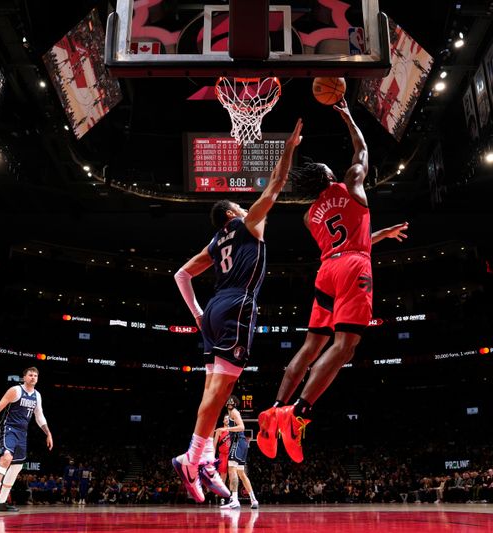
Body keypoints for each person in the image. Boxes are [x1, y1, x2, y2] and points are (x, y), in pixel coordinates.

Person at [256, 99, 409, 463]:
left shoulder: (310, 216)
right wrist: (347, 115)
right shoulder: (351, 185)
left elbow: (342, 240)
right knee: (345, 347)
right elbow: (362, 150)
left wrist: (379, 234)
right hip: (355, 267)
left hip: (327, 271)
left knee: (310, 347)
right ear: (329, 176)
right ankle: (299, 413)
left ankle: (277, 407)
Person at [171, 119, 303, 503]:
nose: (247, 207)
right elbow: (277, 184)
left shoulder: (215, 242)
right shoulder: (247, 224)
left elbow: (181, 274)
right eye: (240, 205)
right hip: (237, 307)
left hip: (214, 308)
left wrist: (197, 314)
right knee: (223, 388)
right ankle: (192, 457)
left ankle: (206, 460)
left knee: (213, 389)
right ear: (232, 212)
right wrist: (289, 147)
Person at [0, 367, 53, 512]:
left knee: (16, 467)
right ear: (24, 377)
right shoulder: (15, 390)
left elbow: (39, 416)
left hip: (22, 434)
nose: (33, 377)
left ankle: (1, 503)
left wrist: (48, 433)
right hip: (9, 429)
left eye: (36, 375)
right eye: (30, 375)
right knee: (6, 458)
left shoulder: (37, 395)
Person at [220, 396, 258, 510]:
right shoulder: (231, 414)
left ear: (234, 404)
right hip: (242, 443)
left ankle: (235, 500)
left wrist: (226, 429)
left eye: (231, 402)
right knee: (241, 473)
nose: (229, 403)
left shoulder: (234, 413)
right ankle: (253, 499)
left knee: (231, 469)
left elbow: (242, 427)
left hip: (238, 441)